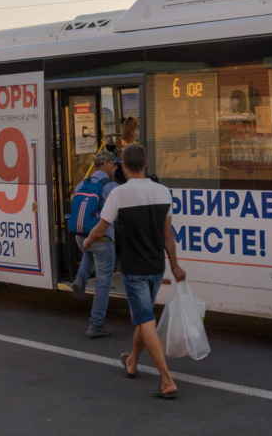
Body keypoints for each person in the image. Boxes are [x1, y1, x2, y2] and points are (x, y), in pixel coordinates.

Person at [82, 143, 186, 399]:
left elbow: (100, 227)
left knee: (144, 320)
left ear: (125, 167)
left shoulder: (119, 194)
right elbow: (168, 236)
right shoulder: (163, 192)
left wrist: (87, 242)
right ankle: (131, 362)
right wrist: (174, 265)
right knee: (144, 316)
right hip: (155, 266)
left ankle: (167, 380)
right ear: (146, 163)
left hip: (134, 268)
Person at [71, 150, 120, 338]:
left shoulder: (82, 183)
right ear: (105, 164)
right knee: (103, 280)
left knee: (90, 251)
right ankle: (96, 323)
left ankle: (81, 277)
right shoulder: (111, 186)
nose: (116, 166)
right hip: (100, 236)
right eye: (114, 163)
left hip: (80, 234)